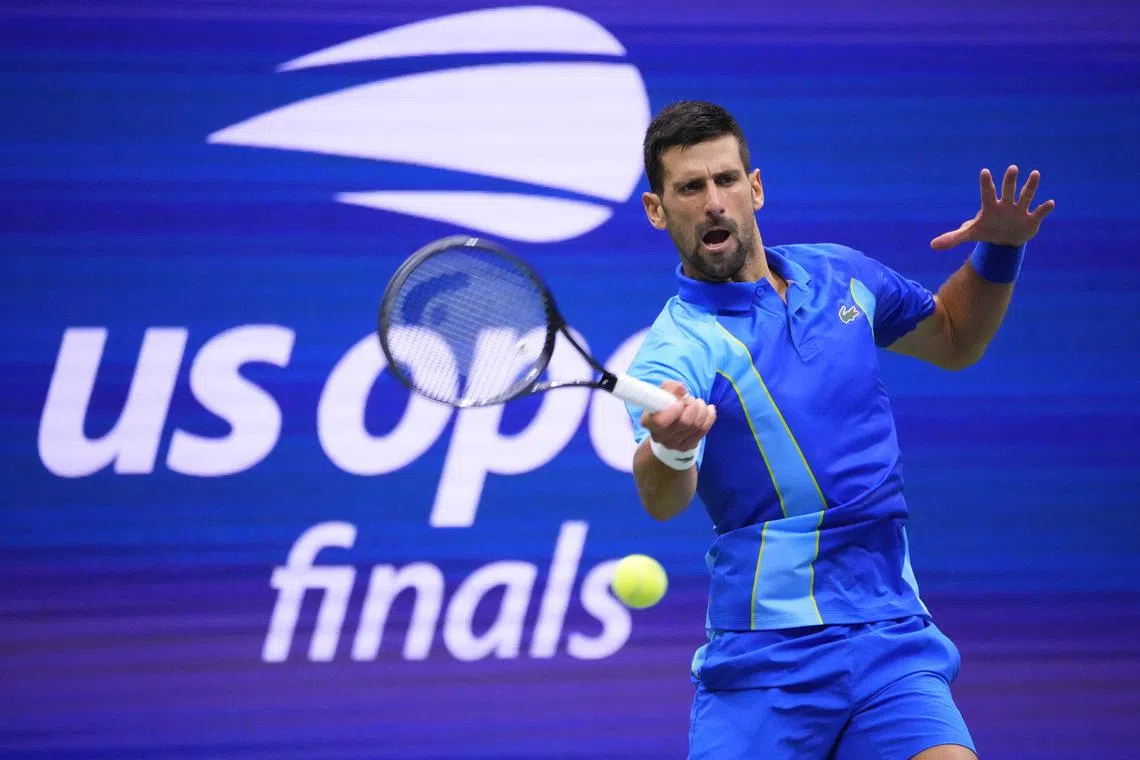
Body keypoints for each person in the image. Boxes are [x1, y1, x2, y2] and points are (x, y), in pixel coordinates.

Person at [623, 101, 1054, 760]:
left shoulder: (841, 275)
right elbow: (660, 500)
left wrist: (1000, 251)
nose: (713, 202)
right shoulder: (675, 349)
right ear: (657, 209)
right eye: (690, 188)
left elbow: (954, 337)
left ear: (755, 187)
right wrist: (672, 449)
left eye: (726, 179)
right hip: (764, 662)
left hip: (890, 635)